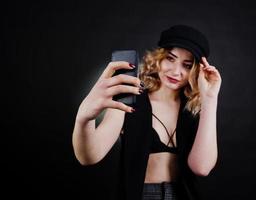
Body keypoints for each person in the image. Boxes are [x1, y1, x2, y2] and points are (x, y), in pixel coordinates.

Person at [72, 24, 222, 200]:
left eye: (187, 65)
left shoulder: (192, 109)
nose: (176, 71)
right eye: (170, 58)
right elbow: (89, 156)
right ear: (158, 57)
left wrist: (210, 99)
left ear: (196, 71)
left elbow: (201, 168)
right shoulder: (130, 95)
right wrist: (84, 117)